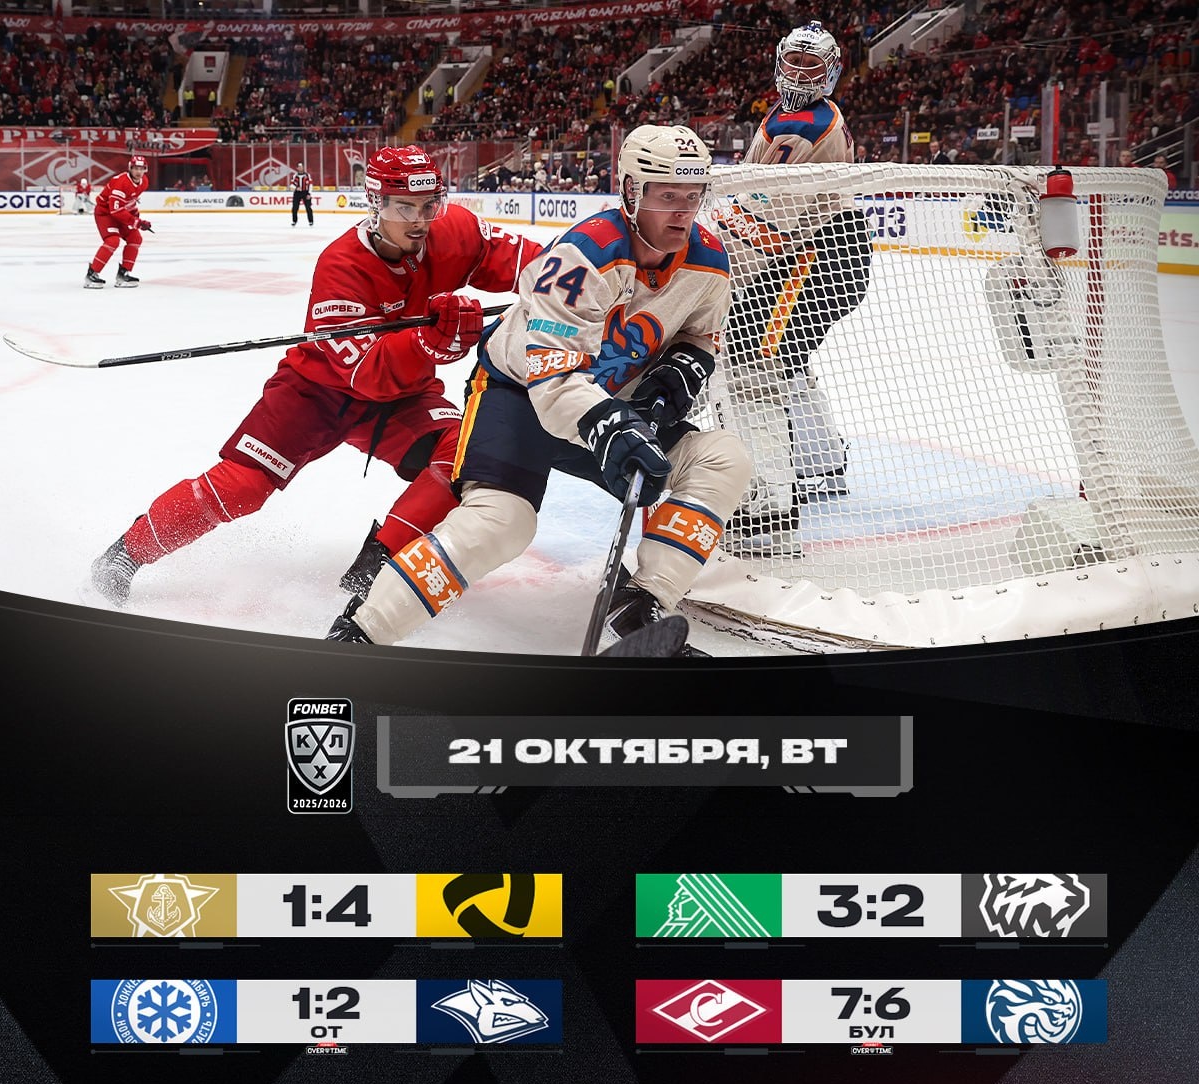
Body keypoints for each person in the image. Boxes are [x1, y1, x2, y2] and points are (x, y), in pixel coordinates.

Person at [326, 124, 752, 658]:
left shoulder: (709, 261)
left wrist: (676, 375)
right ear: (630, 191)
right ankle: (361, 632)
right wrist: (611, 424)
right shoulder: (584, 254)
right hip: (518, 397)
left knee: (722, 458)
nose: (682, 213)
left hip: (608, 407)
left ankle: (642, 602)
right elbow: (551, 379)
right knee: (503, 523)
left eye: (693, 197)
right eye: (667, 197)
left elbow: (699, 335)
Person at [90, 146, 543, 610]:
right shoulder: (341, 265)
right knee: (243, 486)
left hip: (403, 394)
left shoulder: (455, 231)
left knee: (466, 451)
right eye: (404, 208)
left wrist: (578, 285)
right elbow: (365, 372)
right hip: (316, 392)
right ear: (376, 204)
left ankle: (378, 566)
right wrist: (428, 343)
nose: (420, 221)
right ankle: (125, 555)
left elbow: (540, 266)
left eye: (429, 206)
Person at [717, 21, 872, 547]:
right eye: (794, 62)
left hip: (815, 258)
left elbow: (767, 225)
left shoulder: (804, 127)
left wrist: (712, 258)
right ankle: (818, 462)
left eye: (812, 65)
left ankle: (768, 510)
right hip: (823, 254)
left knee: (748, 359)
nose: (801, 73)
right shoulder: (786, 114)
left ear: (831, 71)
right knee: (782, 356)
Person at [84, 155, 151, 289]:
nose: (138, 172)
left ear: (145, 169)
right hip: (105, 213)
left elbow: (130, 201)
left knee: (135, 238)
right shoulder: (121, 183)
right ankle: (92, 274)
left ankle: (123, 273)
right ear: (130, 168)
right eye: (136, 168)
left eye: (141, 168)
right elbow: (115, 210)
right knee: (112, 241)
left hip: (120, 213)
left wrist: (136, 217)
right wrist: (136, 222)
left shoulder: (144, 182)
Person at [291, 163, 314, 227]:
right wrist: (296, 188)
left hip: (305, 192)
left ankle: (311, 221)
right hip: (297, 193)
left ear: (303, 167)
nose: (300, 168)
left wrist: (309, 193)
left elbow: (310, 185)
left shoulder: (307, 175)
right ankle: (294, 221)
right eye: (299, 167)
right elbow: (291, 185)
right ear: (297, 168)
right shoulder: (294, 176)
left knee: (308, 207)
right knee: (295, 207)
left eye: (301, 167)